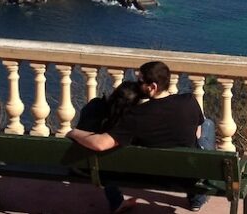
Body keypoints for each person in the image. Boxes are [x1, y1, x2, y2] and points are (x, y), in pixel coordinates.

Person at [67, 61, 215, 212]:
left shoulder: (136, 116)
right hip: (187, 176)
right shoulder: (189, 101)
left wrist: (74, 132)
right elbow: (197, 133)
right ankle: (196, 198)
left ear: (153, 87)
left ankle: (116, 202)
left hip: (148, 175)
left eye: (140, 81)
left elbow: (100, 144)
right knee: (207, 124)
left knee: (109, 156)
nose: (137, 85)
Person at [75, 81, 144, 213]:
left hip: (81, 165)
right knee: (110, 163)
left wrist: (73, 132)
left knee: (105, 162)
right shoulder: (130, 122)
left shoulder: (95, 105)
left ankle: (116, 201)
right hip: (108, 170)